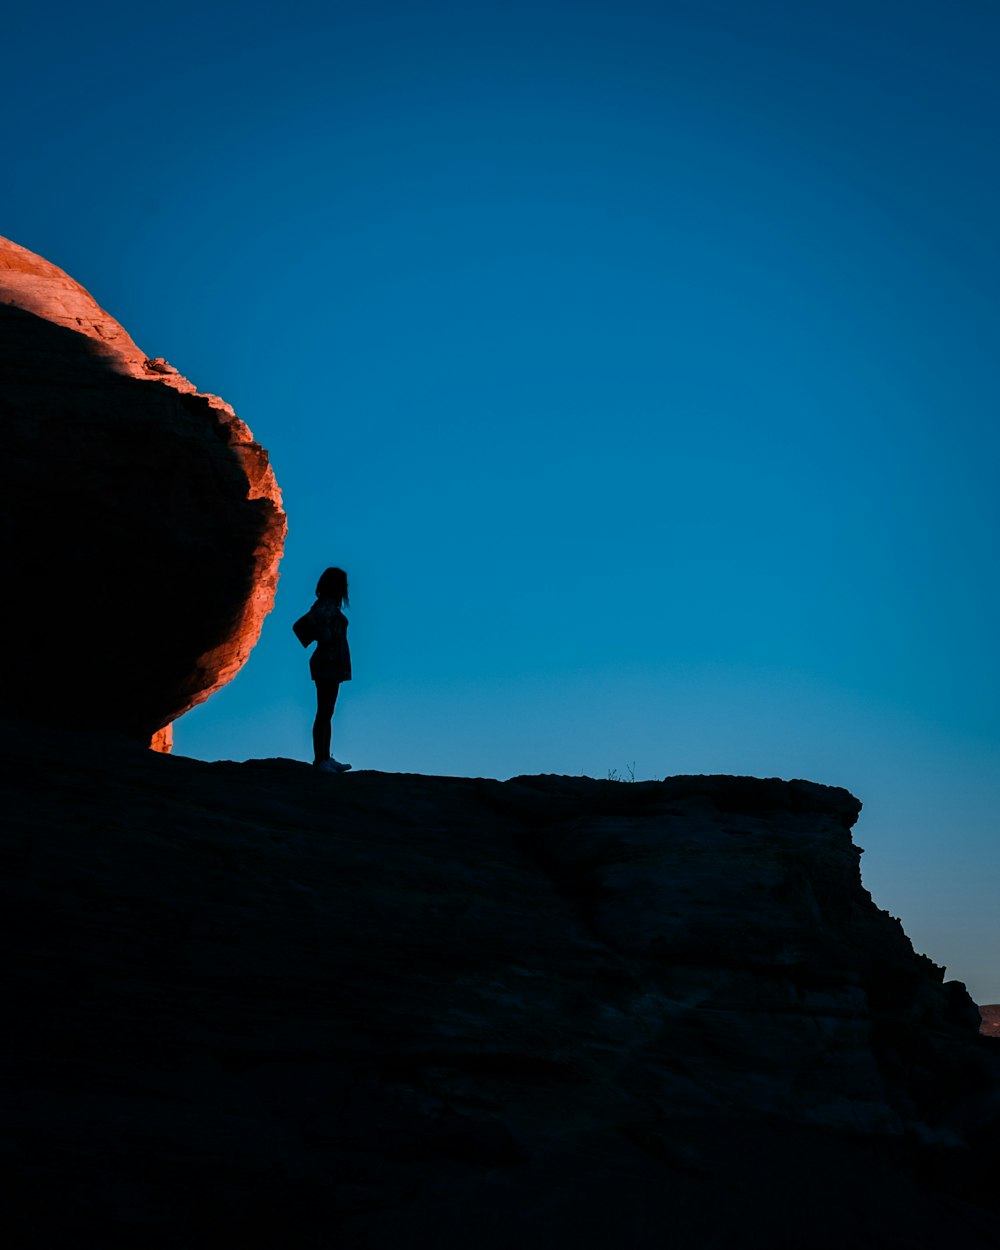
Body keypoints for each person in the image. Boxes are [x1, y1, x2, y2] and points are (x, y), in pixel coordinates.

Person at [293, 567, 352, 772]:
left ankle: (325, 757)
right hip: (327, 663)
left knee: (327, 712)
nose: (346, 588)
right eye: (343, 584)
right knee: (324, 712)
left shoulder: (330, 606)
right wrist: (324, 636)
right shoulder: (326, 606)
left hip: (332, 664)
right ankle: (321, 760)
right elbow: (301, 626)